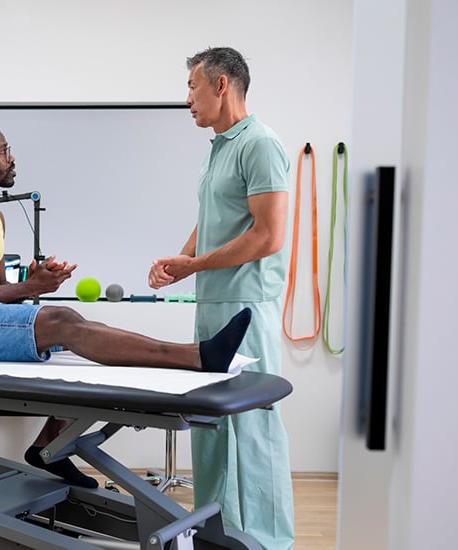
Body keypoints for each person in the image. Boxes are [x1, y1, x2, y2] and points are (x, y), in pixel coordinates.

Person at [0, 120, 253, 489]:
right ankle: (199, 357)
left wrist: (34, 282)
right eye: (4, 151)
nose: (12, 159)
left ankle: (48, 448)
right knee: (62, 321)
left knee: (74, 321)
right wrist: (28, 286)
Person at [148, 47, 294, 549]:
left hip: (247, 305)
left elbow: (268, 236)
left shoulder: (261, 143)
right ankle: (215, 533)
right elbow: (214, 216)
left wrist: (196, 265)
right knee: (209, 429)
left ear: (222, 85)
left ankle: (270, 540)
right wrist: (179, 260)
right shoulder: (219, 148)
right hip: (212, 305)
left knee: (253, 431)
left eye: (192, 86)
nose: (187, 97)